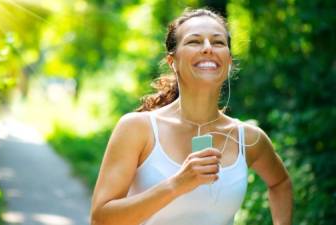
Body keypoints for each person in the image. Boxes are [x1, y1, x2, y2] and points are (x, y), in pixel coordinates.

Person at [90, 8, 293, 225]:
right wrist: (177, 184)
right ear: (172, 61)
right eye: (194, 41)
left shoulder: (249, 139)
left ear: (229, 60)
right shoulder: (138, 129)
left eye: (218, 43)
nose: (207, 48)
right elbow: (100, 219)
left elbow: (281, 183)